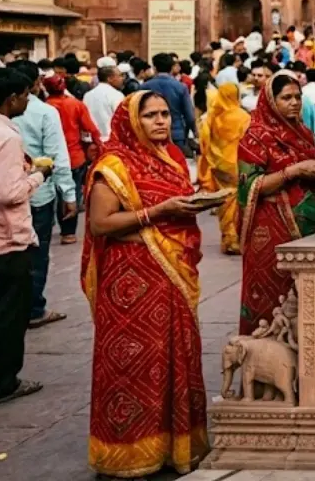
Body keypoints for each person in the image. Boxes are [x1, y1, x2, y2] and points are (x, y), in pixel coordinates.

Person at [83, 91, 211, 475]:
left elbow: (177, 206)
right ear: (131, 121)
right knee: (134, 365)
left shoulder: (171, 158)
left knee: (176, 355)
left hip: (170, 274)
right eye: (150, 115)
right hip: (130, 282)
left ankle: (176, 447)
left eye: (164, 114)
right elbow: (100, 224)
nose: (160, 121)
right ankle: (129, 454)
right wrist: (161, 211)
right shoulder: (113, 166)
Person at [236, 72, 315, 335]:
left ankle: (307, 364)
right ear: (270, 101)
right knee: (272, 295)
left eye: (297, 97)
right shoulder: (255, 137)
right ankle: (265, 363)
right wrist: (293, 172)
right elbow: (248, 187)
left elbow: (310, 175)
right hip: (270, 231)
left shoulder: (303, 133)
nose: (294, 103)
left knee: (306, 298)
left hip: (308, 226)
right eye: (286, 98)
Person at [0, 67, 47, 405]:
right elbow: (9, 193)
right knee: (8, 317)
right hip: (4, 240)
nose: (28, 99)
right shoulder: (6, 137)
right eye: (25, 94)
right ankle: (2, 382)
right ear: (12, 99)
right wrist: (37, 176)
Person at [8, 61, 73, 329]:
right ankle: (34, 308)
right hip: (37, 195)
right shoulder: (44, 112)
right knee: (37, 253)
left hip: (9, 197)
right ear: (34, 84)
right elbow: (56, 156)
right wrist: (68, 193)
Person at [44, 75, 100, 245]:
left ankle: (50, 225)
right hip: (74, 157)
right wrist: (100, 147)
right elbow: (90, 128)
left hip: (49, 159)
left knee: (51, 193)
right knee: (71, 193)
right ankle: (68, 232)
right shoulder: (75, 104)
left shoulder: (45, 107)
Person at [198, 82, 250, 255]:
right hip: (236, 165)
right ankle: (235, 240)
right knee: (236, 201)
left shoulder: (213, 116)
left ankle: (227, 238)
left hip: (219, 165)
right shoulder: (243, 116)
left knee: (225, 201)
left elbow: (204, 142)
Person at [144, 53, 197, 150]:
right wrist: (194, 132)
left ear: (155, 68)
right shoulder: (180, 87)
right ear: (172, 68)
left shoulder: (144, 87)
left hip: (150, 133)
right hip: (176, 133)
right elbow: (189, 115)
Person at [84, 65, 126, 141]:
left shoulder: (87, 95)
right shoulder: (116, 95)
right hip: (111, 140)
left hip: (91, 140)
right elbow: (122, 119)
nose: (122, 78)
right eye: (120, 76)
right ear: (109, 78)